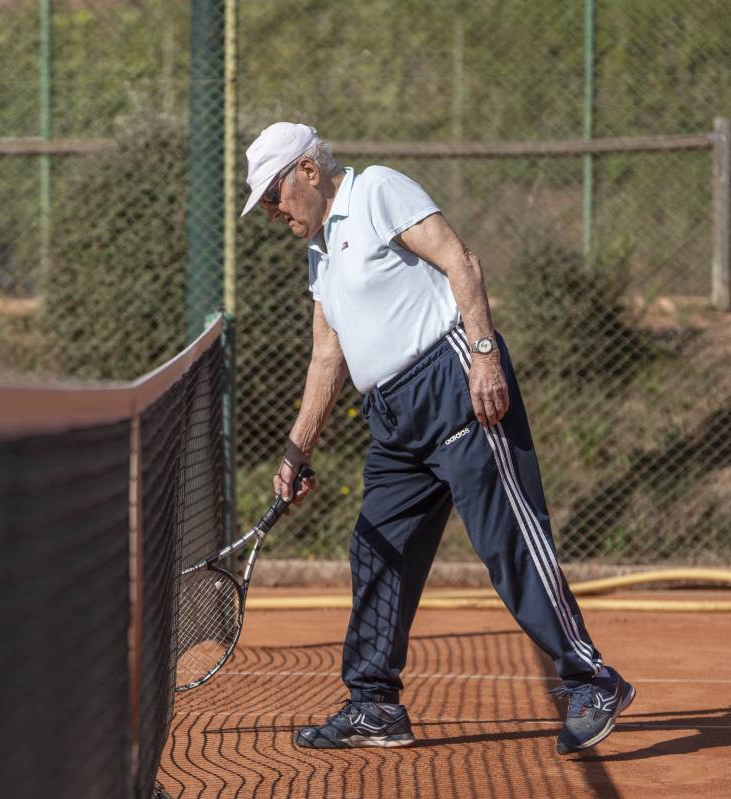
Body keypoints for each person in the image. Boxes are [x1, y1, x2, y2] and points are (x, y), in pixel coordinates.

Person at [239, 122, 634, 755]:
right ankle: (374, 705)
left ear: (308, 173)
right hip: (393, 420)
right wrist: (297, 449)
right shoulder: (320, 254)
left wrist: (483, 355)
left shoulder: (377, 192)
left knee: (508, 540)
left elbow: (461, 261)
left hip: (452, 382)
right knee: (377, 547)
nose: (270, 210)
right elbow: (326, 357)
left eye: (273, 195)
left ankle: (591, 678)